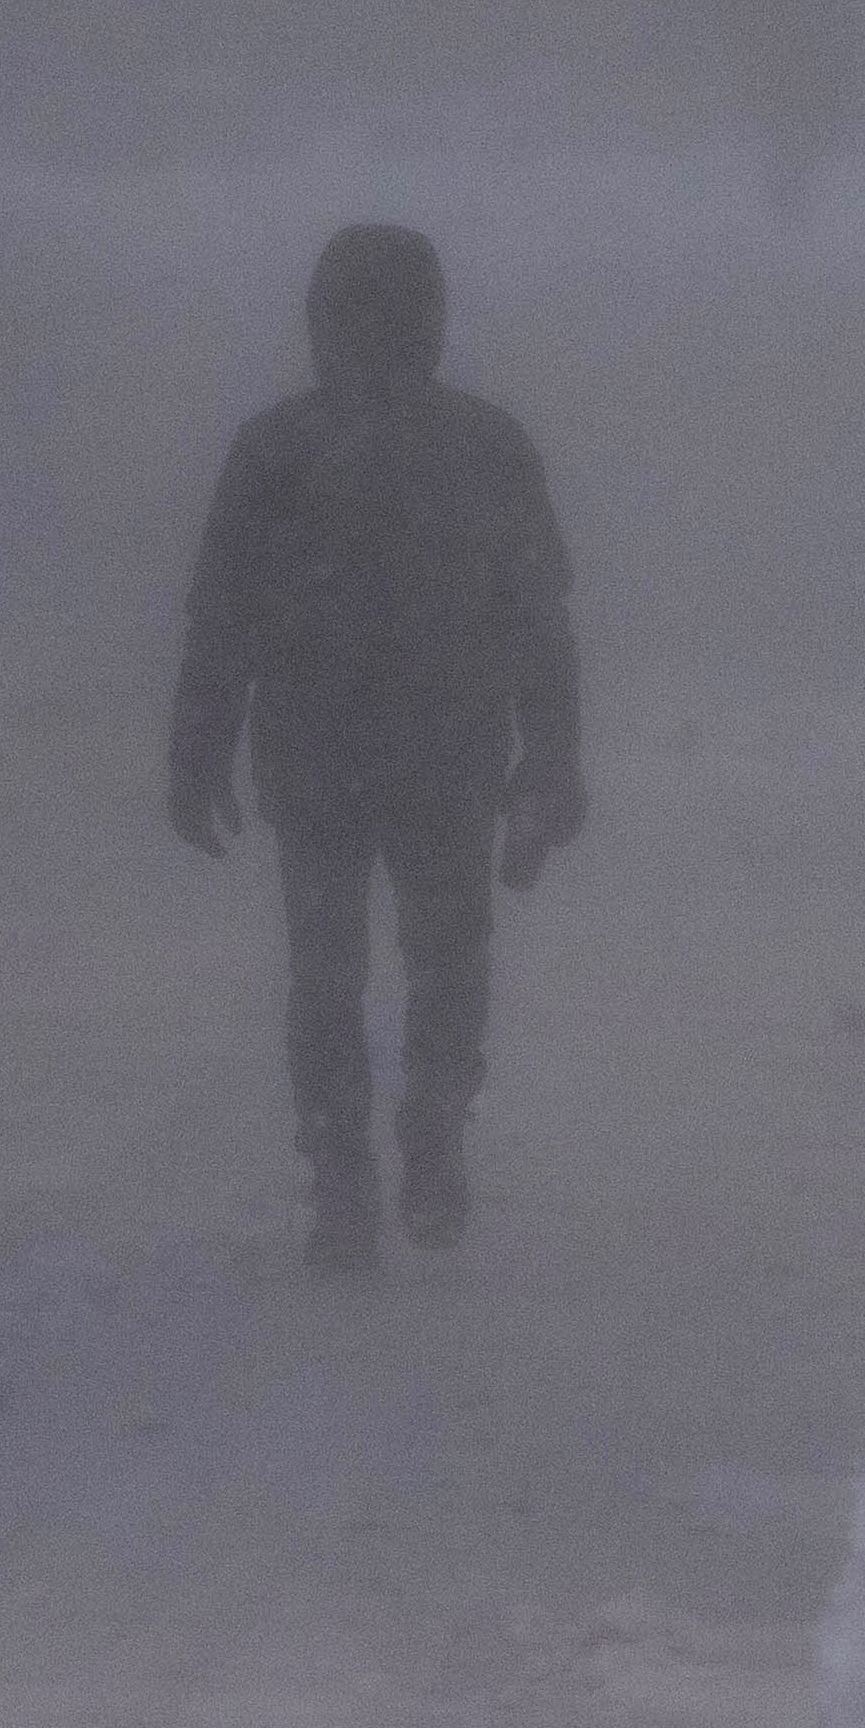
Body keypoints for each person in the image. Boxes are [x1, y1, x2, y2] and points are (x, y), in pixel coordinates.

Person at [167, 221, 586, 1269]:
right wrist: (551, 757)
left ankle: (343, 1179)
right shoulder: (488, 446)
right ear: (434, 324)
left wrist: (198, 752)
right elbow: (539, 620)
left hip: (316, 761)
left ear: (319, 325)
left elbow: (221, 619)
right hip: (448, 755)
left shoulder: (275, 451)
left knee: (325, 972)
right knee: (448, 962)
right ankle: (432, 1133)